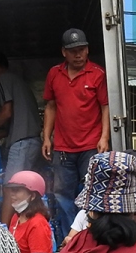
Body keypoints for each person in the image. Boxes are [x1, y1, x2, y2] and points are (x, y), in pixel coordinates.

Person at [42, 28, 110, 228]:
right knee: (62, 195)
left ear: (88, 50)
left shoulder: (97, 74)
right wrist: (47, 137)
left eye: (82, 49)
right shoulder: (54, 74)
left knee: (92, 192)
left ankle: (89, 236)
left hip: (91, 146)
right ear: (64, 52)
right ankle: (68, 240)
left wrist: (104, 137)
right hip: (63, 148)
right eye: (73, 51)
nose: (78, 54)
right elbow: (50, 106)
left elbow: (105, 107)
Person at [0, 50, 43, 200]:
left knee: (11, 189)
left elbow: (7, 112)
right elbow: (15, 123)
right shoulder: (19, 83)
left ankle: (5, 224)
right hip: (31, 142)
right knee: (26, 190)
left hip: (22, 144)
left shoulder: (2, 79)